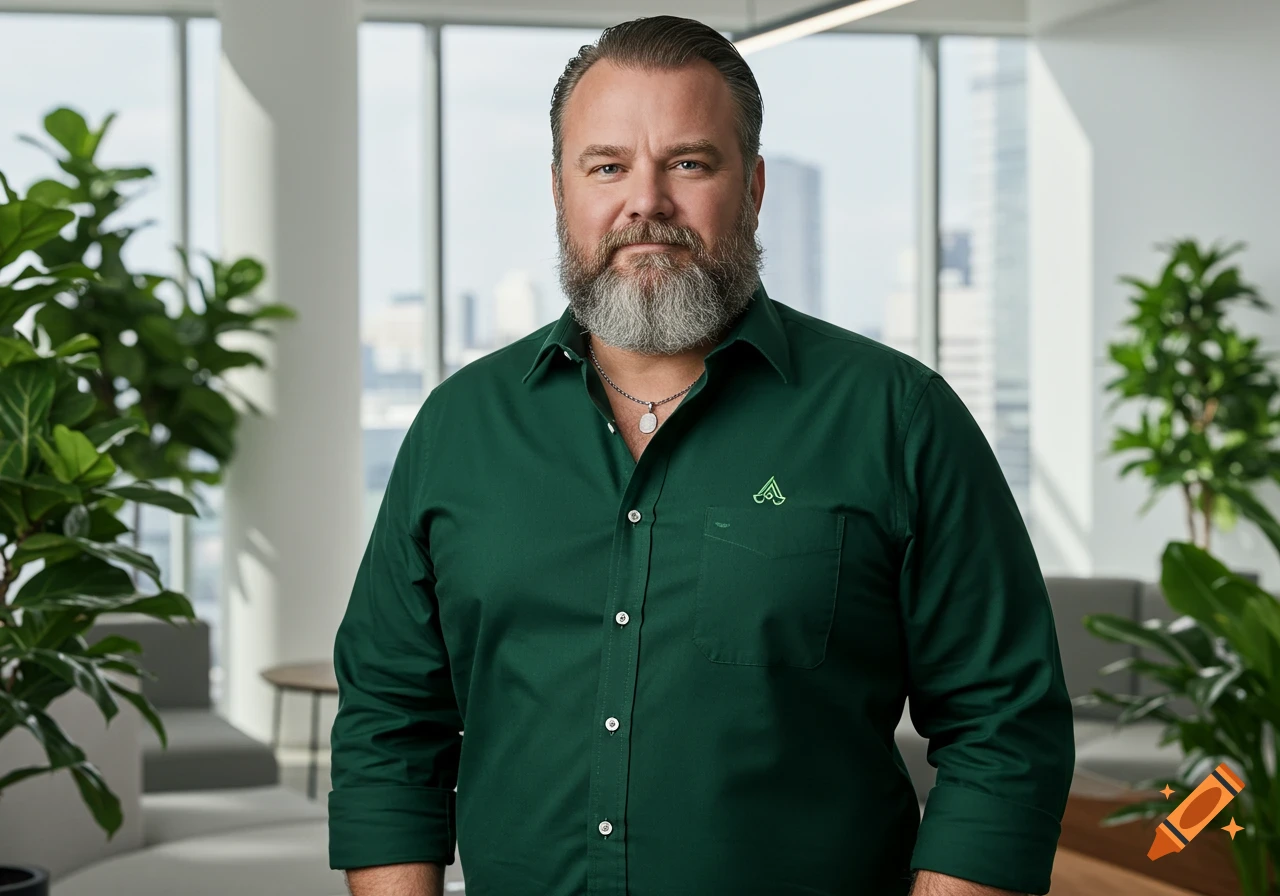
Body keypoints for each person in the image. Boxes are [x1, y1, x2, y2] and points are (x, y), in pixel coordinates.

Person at [328, 15, 1074, 896]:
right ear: (562, 193)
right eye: (607, 166)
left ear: (752, 187)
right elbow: (388, 723)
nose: (646, 201)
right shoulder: (459, 428)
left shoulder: (896, 418)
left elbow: (1005, 727)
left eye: (688, 162)